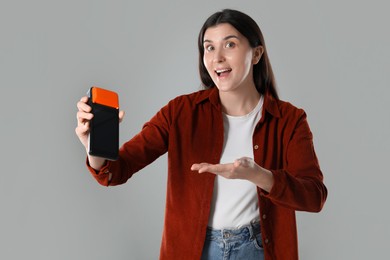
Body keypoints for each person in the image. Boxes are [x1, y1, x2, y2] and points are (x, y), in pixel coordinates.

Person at [76, 9, 327, 260]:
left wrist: (259, 175)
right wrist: (94, 146)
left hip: (258, 249)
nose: (217, 57)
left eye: (230, 44)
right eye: (209, 47)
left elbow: (314, 196)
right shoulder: (180, 112)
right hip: (193, 250)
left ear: (256, 54)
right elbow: (117, 170)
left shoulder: (290, 120)